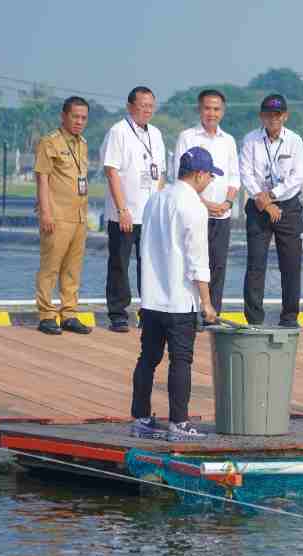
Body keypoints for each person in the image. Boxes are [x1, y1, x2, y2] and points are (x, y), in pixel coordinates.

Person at [129, 147, 220, 441]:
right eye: (209, 176)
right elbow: (197, 260)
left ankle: (140, 419)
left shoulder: (155, 199)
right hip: (180, 299)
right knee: (181, 361)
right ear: (199, 174)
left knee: (148, 359)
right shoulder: (193, 205)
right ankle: (178, 424)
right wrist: (206, 303)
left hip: (153, 298)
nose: (209, 181)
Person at [101, 86, 167, 332]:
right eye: (142, 106)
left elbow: (160, 173)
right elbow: (111, 171)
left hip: (149, 213)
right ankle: (118, 313)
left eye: (151, 106)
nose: (147, 110)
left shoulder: (156, 134)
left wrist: (159, 206)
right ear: (130, 107)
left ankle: (149, 311)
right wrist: (122, 210)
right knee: (119, 262)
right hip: (125, 214)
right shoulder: (118, 132)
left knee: (149, 264)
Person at [172, 89, 241, 317]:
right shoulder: (187, 137)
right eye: (207, 108)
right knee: (193, 263)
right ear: (199, 109)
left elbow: (234, 177)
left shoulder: (228, 141)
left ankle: (213, 313)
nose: (212, 113)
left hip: (221, 215)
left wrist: (227, 203)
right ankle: (190, 312)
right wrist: (205, 204)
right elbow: (180, 177)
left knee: (217, 266)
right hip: (195, 213)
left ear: (223, 111)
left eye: (216, 109)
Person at [239, 94, 303, 327]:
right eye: (268, 114)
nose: (273, 119)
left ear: (285, 116)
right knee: (256, 264)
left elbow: (297, 178)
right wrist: (265, 203)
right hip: (259, 207)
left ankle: (289, 317)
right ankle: (254, 318)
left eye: (277, 115)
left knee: (291, 263)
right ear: (262, 116)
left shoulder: (295, 141)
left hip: (287, 207)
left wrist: (273, 196)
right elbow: (246, 173)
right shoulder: (250, 140)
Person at [33, 96, 93, 336]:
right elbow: (43, 179)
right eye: (75, 116)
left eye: (83, 118)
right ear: (64, 116)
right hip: (57, 215)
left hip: (79, 216)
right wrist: (46, 213)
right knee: (50, 267)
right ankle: (47, 314)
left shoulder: (83, 144)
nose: (79, 121)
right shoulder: (50, 142)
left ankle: (69, 313)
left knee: (72, 268)